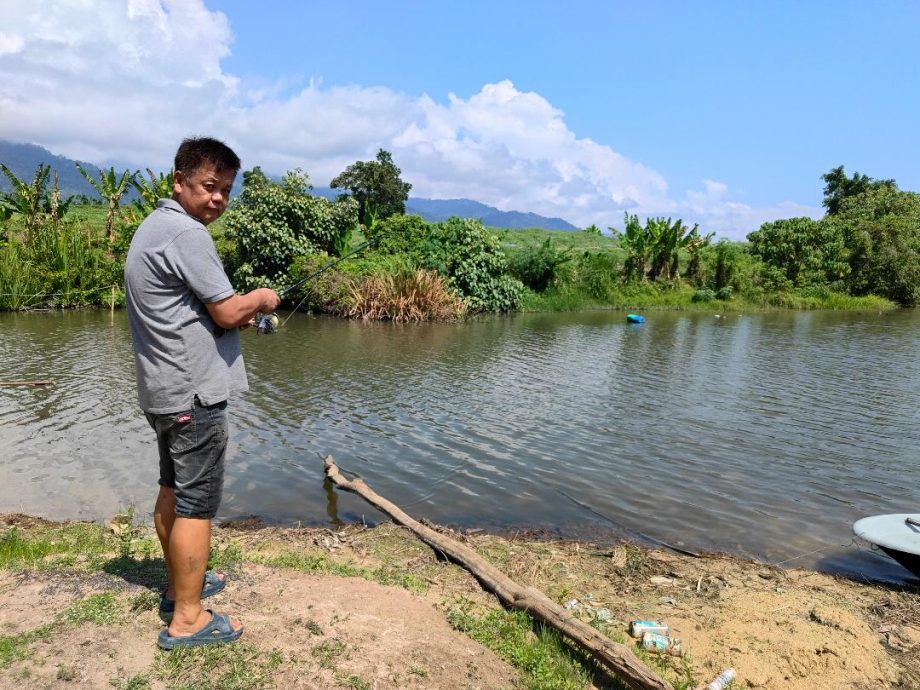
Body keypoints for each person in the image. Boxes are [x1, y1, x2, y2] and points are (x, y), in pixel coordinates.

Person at [124, 137, 280, 649]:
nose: (217, 198)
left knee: (172, 488)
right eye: (209, 186)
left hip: (163, 390)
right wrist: (262, 297)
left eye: (226, 190)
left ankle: (178, 587)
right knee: (196, 504)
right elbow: (228, 311)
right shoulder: (187, 234)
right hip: (194, 394)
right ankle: (188, 618)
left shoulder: (153, 227)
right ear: (179, 182)